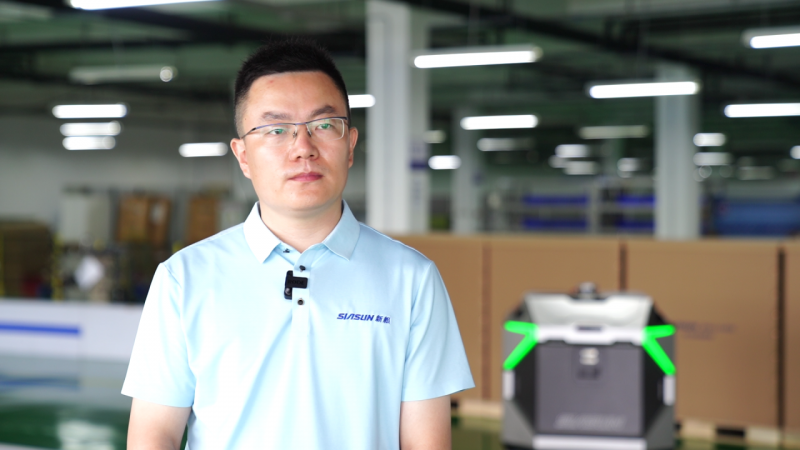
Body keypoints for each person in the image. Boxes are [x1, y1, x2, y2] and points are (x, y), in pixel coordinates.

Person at [122, 39, 474, 450]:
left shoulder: (412, 280)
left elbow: (426, 443)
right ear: (243, 155)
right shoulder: (184, 279)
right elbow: (155, 434)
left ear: (350, 145)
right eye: (276, 130)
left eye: (324, 125)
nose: (303, 148)